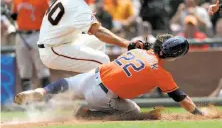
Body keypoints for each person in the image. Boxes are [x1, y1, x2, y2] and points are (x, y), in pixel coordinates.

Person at [15, 34, 206, 119]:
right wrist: (199, 114)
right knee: (134, 113)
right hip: (102, 96)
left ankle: (42, 90)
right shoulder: (161, 73)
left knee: (68, 83)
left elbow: (140, 47)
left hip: (94, 75)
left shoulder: (138, 52)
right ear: (176, 56)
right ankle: (88, 115)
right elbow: (182, 99)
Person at [37, 0, 131, 73]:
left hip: (63, 41)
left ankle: (89, 81)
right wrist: (127, 44)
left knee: (97, 41)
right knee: (103, 61)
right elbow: (98, 31)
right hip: (53, 49)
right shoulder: (78, 5)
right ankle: (83, 85)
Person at [11, 0, 51, 91]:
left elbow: (50, 15)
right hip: (21, 35)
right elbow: (14, 16)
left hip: (37, 34)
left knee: (42, 67)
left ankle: (47, 97)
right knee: (24, 67)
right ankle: (26, 101)